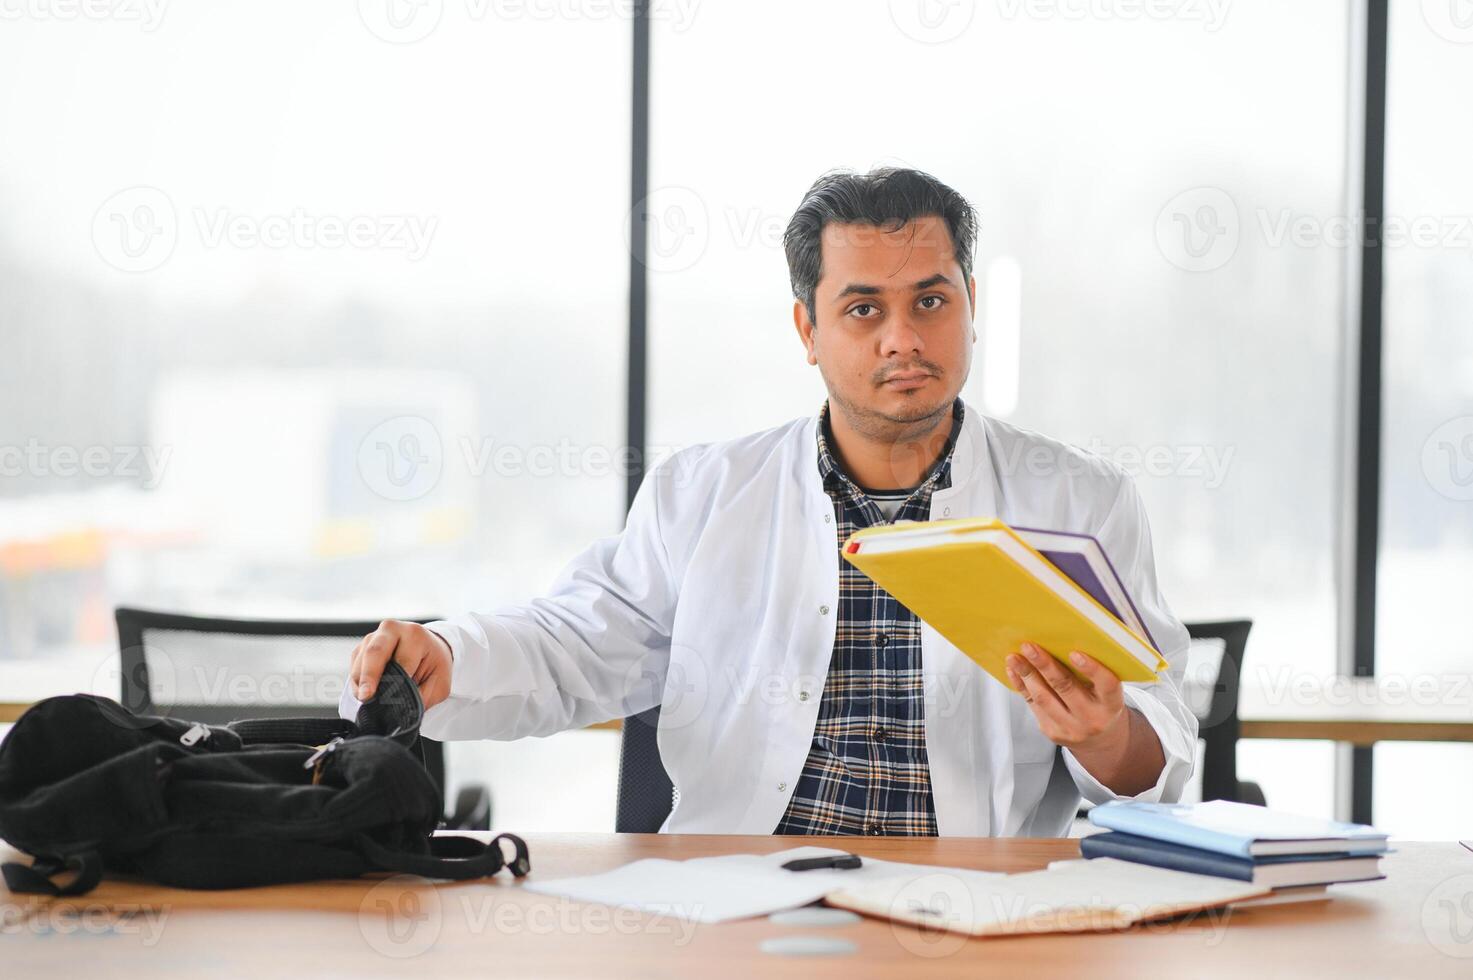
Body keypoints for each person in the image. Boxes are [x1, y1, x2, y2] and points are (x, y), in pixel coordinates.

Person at [343, 167, 1197, 836]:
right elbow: (578, 641)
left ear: (970, 310)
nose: (902, 337)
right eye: (863, 308)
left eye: (931, 301)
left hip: (979, 907)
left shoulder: (1081, 501)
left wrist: (1103, 738)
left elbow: (1159, 741)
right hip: (738, 898)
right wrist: (454, 652)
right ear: (807, 331)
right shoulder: (705, 493)